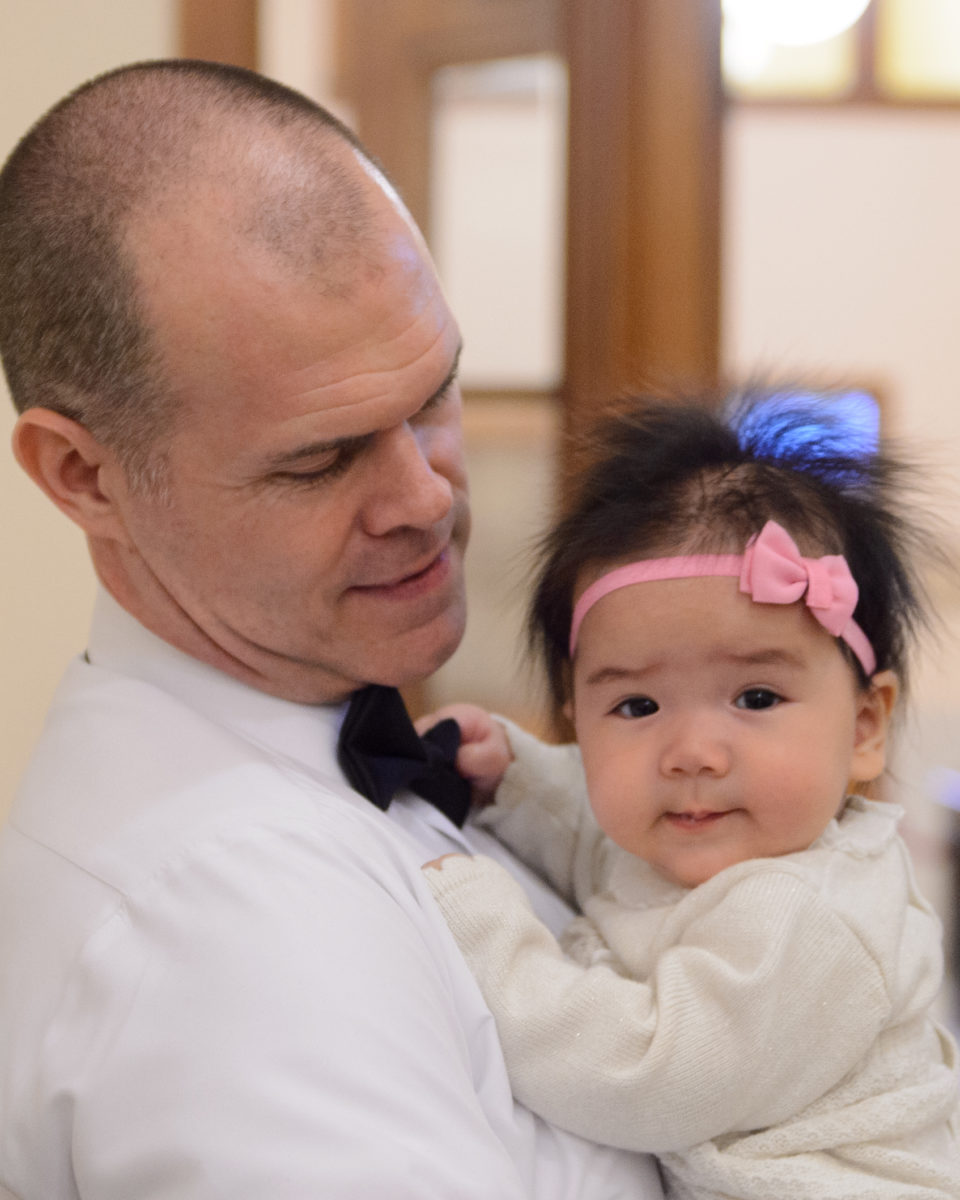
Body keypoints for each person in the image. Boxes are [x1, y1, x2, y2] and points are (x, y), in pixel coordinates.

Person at [0, 60, 664, 1199]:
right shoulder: (233, 928)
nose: (426, 497)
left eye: (435, 395)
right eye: (320, 457)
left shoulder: (350, 765)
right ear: (83, 476)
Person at [422, 392, 960, 1198]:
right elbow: (603, 852)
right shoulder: (702, 845)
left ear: (864, 728)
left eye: (755, 699)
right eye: (636, 708)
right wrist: (515, 779)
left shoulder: (810, 915)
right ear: (579, 721)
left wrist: (485, 930)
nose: (693, 755)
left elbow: (642, 1072)